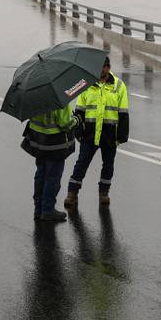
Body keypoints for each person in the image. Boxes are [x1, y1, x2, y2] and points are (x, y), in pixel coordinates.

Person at [64, 57, 129, 207]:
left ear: (108, 68)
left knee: (108, 165)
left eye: (103, 68)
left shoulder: (119, 86)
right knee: (81, 164)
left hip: (109, 135)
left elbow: (123, 113)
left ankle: (104, 194)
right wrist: (78, 132)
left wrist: (122, 136)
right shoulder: (85, 84)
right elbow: (80, 110)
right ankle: (72, 194)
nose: (100, 71)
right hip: (90, 134)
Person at [22, 104, 78, 222]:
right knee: (52, 178)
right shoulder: (59, 99)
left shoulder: (34, 96)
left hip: (38, 142)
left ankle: (38, 209)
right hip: (55, 144)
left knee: (40, 175)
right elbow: (65, 123)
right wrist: (76, 120)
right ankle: (48, 210)